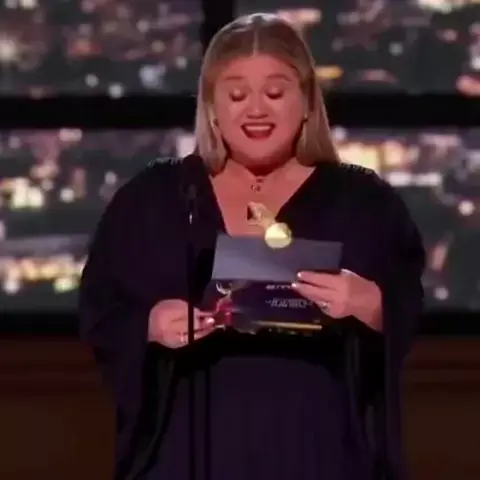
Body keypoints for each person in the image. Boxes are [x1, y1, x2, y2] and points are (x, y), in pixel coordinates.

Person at [79, 13, 425, 480]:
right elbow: (101, 308)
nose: (256, 110)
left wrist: (370, 303)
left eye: (275, 93)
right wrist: (150, 324)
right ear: (212, 107)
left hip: (319, 452)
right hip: (186, 451)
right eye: (237, 95)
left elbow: (407, 305)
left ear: (307, 102)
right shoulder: (155, 198)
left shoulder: (364, 202)